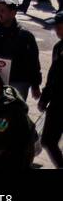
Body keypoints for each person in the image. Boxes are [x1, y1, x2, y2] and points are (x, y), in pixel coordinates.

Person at [0, 0, 42, 102]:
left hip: (18, 81)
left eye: (3, 11)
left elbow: (33, 62)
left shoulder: (25, 36)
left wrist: (35, 85)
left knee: (15, 112)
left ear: (13, 13)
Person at [37, 10, 63, 168]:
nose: (57, 31)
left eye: (60, 27)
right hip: (57, 103)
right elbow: (53, 76)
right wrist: (44, 97)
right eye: (56, 27)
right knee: (47, 140)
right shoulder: (59, 47)